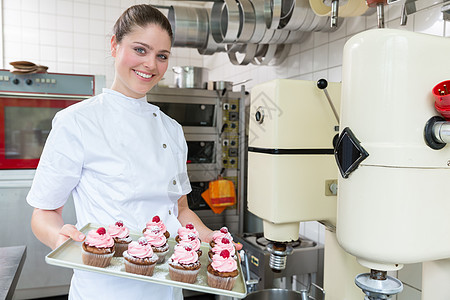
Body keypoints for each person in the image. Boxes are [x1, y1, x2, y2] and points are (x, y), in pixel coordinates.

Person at [27, 4, 241, 299]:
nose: (151, 65)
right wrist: (58, 237)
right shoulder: (76, 121)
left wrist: (207, 237)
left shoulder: (172, 130)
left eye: (162, 56)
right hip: (105, 289)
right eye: (141, 50)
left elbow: (179, 210)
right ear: (114, 45)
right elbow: (44, 212)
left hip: (167, 284)